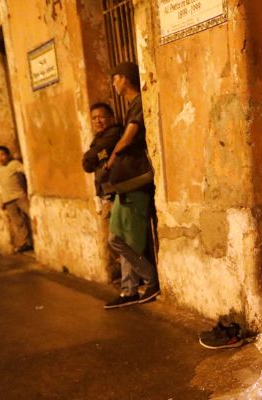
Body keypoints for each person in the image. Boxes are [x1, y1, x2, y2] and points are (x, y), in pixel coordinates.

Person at [102, 61, 159, 309]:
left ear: (124, 78)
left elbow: (129, 137)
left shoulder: (138, 104)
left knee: (119, 239)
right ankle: (129, 290)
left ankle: (151, 280)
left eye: (115, 78)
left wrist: (112, 158)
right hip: (127, 185)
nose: (114, 83)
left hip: (135, 184)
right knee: (121, 237)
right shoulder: (132, 106)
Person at [0, 145, 32, 253]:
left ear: (8, 155)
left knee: (31, 215)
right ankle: (25, 242)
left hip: (20, 196)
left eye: (2, 155)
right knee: (18, 222)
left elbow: (26, 171)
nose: (0, 158)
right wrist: (2, 201)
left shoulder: (14, 164)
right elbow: (2, 186)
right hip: (8, 200)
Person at [81, 102, 122, 200]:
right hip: (107, 192)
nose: (97, 121)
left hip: (118, 191)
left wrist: (93, 157)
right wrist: (97, 157)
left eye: (101, 117)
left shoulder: (114, 134)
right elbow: (97, 157)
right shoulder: (100, 137)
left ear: (112, 118)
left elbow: (92, 157)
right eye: (94, 118)